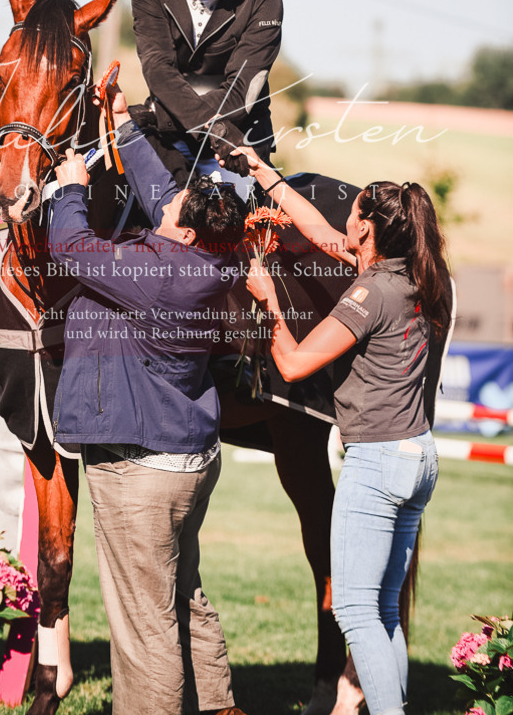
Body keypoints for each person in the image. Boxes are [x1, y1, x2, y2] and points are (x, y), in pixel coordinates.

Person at [44, 84, 249, 715]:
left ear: (182, 228)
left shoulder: (159, 275)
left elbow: (70, 247)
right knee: (182, 593)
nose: (167, 200)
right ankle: (218, 706)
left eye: (177, 201)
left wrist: (72, 187)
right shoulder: (214, 259)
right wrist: (122, 128)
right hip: (187, 460)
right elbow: (162, 192)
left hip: (142, 472)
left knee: (143, 624)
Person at [238, 147, 452, 715]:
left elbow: (293, 365)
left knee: (356, 612)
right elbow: (317, 228)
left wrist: (269, 304)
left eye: (352, 214)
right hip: (418, 456)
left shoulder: (368, 293)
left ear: (367, 228)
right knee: (382, 611)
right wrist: (269, 178)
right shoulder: (419, 276)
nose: (343, 222)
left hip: (378, 462)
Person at [131, 0, 283, 190]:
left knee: (240, 225)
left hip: (239, 140)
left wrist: (158, 116)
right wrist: (215, 128)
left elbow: (243, 91)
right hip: (173, 140)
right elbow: (158, 70)